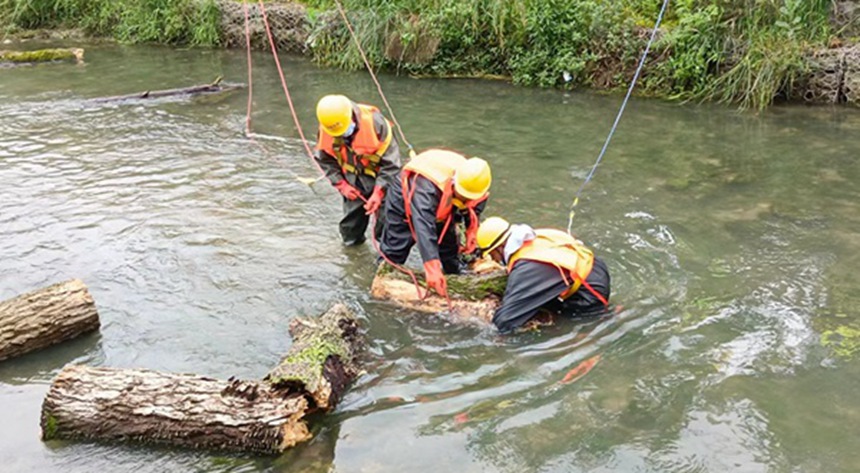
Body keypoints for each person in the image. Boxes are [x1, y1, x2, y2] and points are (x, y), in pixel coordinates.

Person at [379, 148, 492, 299]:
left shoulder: (476, 182)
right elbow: (423, 226)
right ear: (454, 182)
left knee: (449, 249)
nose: (465, 198)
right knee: (395, 250)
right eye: (462, 195)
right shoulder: (426, 189)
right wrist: (431, 267)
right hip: (404, 199)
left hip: (443, 205)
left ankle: (455, 282)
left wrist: (472, 230)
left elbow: (476, 205)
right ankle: (381, 283)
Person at [476, 217, 611, 333]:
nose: (494, 260)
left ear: (499, 248)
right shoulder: (536, 236)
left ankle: (604, 315)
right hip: (593, 268)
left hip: (589, 294)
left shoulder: (526, 268)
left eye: (491, 254)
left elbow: (505, 321)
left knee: (552, 319)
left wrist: (480, 320)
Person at [314, 94, 402, 245]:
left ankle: (386, 257)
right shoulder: (328, 128)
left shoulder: (376, 123)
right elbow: (325, 160)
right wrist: (342, 185)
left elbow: (392, 164)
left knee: (387, 223)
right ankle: (352, 254)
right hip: (353, 179)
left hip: (382, 177)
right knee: (350, 227)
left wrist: (379, 192)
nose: (341, 134)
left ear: (351, 116)